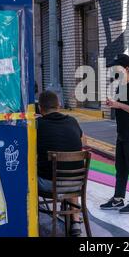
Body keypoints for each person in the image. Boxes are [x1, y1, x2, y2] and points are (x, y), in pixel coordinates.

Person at [100, 54, 129, 214]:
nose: (114, 70)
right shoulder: (122, 86)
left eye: (116, 67)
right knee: (120, 168)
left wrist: (118, 105)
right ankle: (118, 199)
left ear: (126, 68)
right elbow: (124, 106)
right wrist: (114, 104)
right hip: (122, 134)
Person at [37, 90, 87, 236]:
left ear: (40, 108)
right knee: (70, 173)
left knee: (29, 175)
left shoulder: (37, 125)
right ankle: (76, 223)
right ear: (59, 105)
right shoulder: (73, 121)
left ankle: (32, 219)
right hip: (76, 183)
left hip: (48, 184)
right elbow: (84, 141)